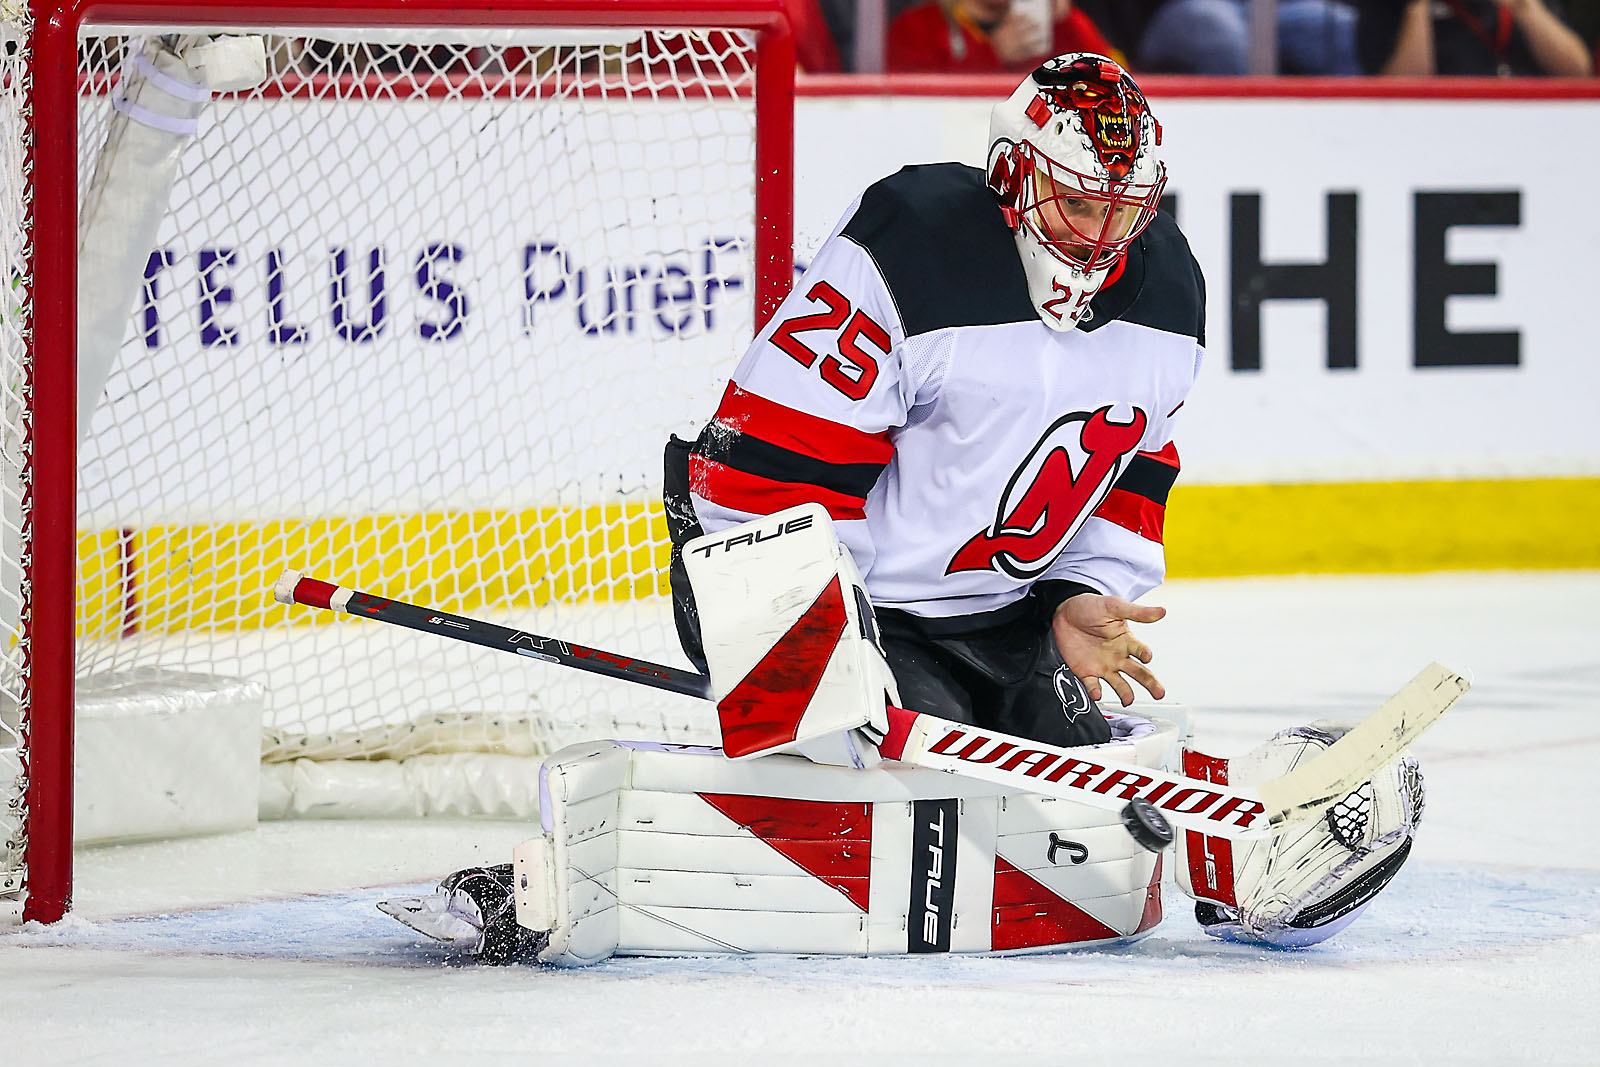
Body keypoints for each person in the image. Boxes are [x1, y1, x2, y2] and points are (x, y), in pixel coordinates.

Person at [665, 53, 1205, 754]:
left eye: (1122, 209)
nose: (1099, 236)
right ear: (1013, 176)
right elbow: (760, 477)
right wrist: (822, 643)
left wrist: (1075, 589)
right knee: (926, 785)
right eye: (1076, 202)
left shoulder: (1168, 293)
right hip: (817, 590)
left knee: (1080, 773)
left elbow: (1134, 464)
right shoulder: (913, 249)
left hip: (1001, 618)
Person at [1356, 0, 1593, 75]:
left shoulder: (1525, 6)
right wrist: (1418, 9)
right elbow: (1396, 97)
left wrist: (1524, 8)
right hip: (1438, 137)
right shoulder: (1391, 8)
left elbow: (1578, 71)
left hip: (1532, 133)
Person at [888, 0, 1119, 73]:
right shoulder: (915, 26)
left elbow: (1116, 80)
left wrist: (1067, 24)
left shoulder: (1058, 20)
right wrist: (993, 54)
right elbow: (915, 108)